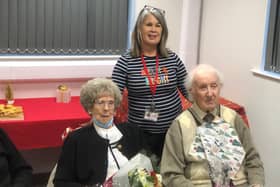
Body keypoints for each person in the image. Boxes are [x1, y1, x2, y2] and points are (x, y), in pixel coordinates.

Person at [160, 64, 265, 187]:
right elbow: (171, 174)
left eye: (214, 86)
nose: (210, 93)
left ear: (220, 87)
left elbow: (253, 159)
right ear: (191, 91)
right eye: (203, 87)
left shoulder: (234, 118)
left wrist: (257, 183)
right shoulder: (179, 126)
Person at [112, 5, 188, 159]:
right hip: (140, 134)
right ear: (139, 29)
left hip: (173, 131)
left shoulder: (172, 58)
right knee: (145, 176)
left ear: (163, 31)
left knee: (170, 174)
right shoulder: (126, 61)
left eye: (158, 25)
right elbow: (114, 97)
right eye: (149, 24)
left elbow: (189, 90)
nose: (153, 29)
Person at [53, 78, 145, 186]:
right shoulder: (76, 139)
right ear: (89, 108)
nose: (106, 108)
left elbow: (146, 167)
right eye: (100, 103)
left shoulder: (132, 132)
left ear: (115, 109)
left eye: (110, 103)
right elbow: (61, 182)